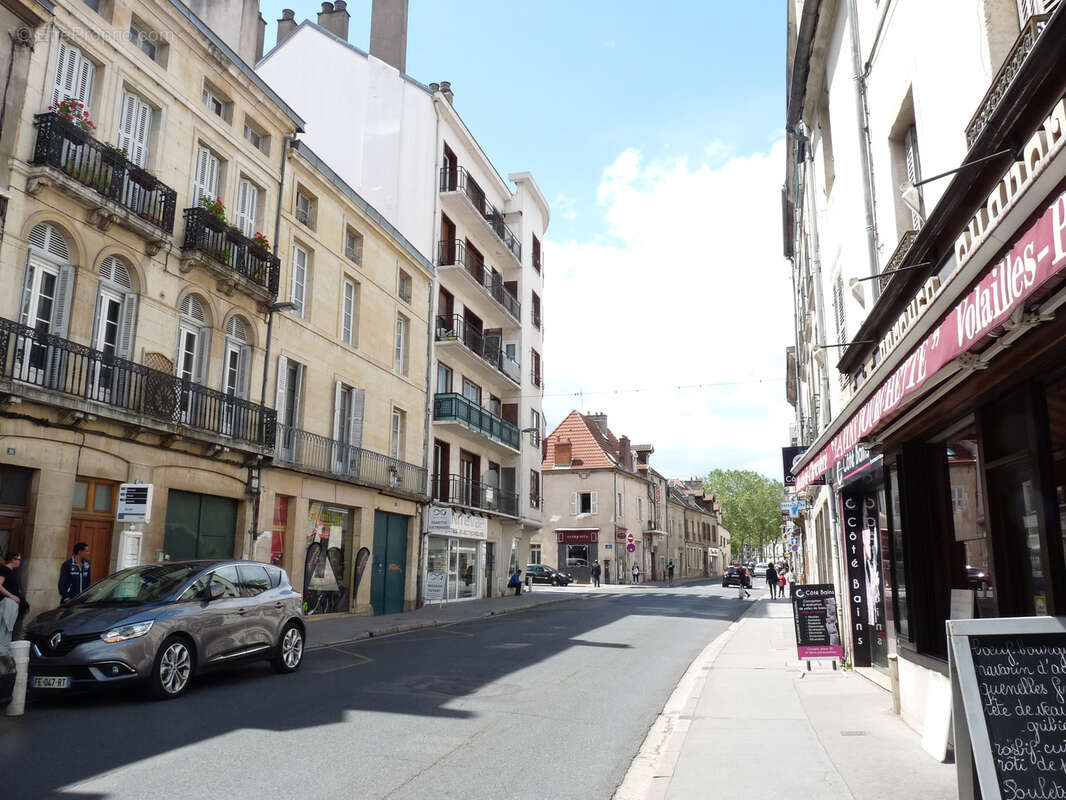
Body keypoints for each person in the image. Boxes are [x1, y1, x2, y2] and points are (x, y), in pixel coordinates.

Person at [0, 552, 26, 636]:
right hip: (5, 602)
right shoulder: (4, 569)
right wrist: (12, 596)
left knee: (8, 630)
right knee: (4, 628)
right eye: (18, 559)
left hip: (12, 603)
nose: (19, 562)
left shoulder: (13, 572)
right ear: (13, 560)